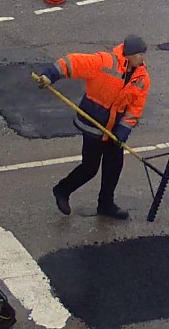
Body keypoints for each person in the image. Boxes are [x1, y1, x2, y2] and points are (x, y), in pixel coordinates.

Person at [37, 34, 151, 220]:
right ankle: (62, 190)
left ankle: (106, 204)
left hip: (115, 130)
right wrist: (50, 75)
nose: (142, 58)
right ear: (129, 54)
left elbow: (135, 109)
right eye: (139, 54)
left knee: (114, 167)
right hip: (94, 126)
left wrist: (123, 131)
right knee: (90, 168)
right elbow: (74, 62)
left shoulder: (142, 78)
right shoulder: (105, 62)